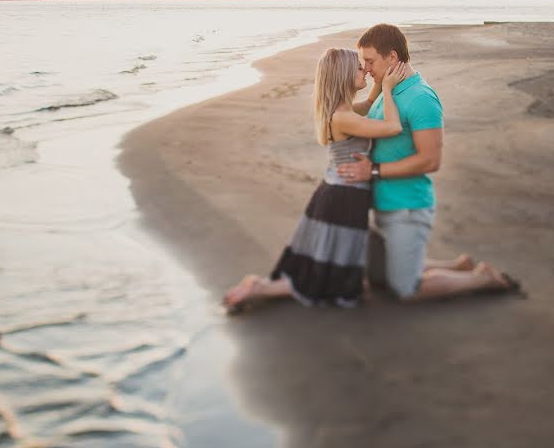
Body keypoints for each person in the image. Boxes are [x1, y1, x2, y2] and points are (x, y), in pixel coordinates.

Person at [337, 24, 520, 300]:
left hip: (407, 206)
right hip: (385, 203)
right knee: (385, 273)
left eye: (371, 61)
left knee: (404, 288)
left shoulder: (421, 98)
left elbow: (430, 160)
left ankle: (480, 279)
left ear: (393, 58)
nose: (367, 68)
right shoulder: (388, 90)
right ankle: (457, 266)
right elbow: (358, 118)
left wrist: (372, 170)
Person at [222, 48, 409, 310]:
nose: (364, 69)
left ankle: (260, 286)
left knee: (322, 260)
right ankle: (260, 288)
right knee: (327, 275)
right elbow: (393, 127)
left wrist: (379, 82)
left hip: (334, 192)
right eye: (358, 67)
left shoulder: (341, 111)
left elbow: (367, 106)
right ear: (343, 76)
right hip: (344, 197)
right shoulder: (343, 118)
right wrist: (388, 89)